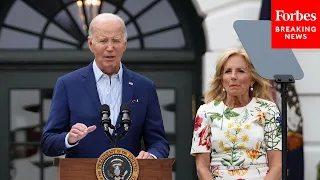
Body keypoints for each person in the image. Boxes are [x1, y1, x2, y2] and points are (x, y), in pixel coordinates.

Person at [40, 13, 169, 159]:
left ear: (125, 44)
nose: (110, 47)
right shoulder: (68, 84)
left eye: (116, 40)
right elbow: (48, 142)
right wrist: (69, 139)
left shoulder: (144, 87)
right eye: (103, 41)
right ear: (90, 44)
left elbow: (159, 142)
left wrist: (151, 156)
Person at [190, 48, 282, 179]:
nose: (233, 76)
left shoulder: (269, 109)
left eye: (241, 71)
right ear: (221, 80)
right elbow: (201, 167)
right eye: (228, 71)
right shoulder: (206, 112)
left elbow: (277, 166)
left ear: (252, 79)